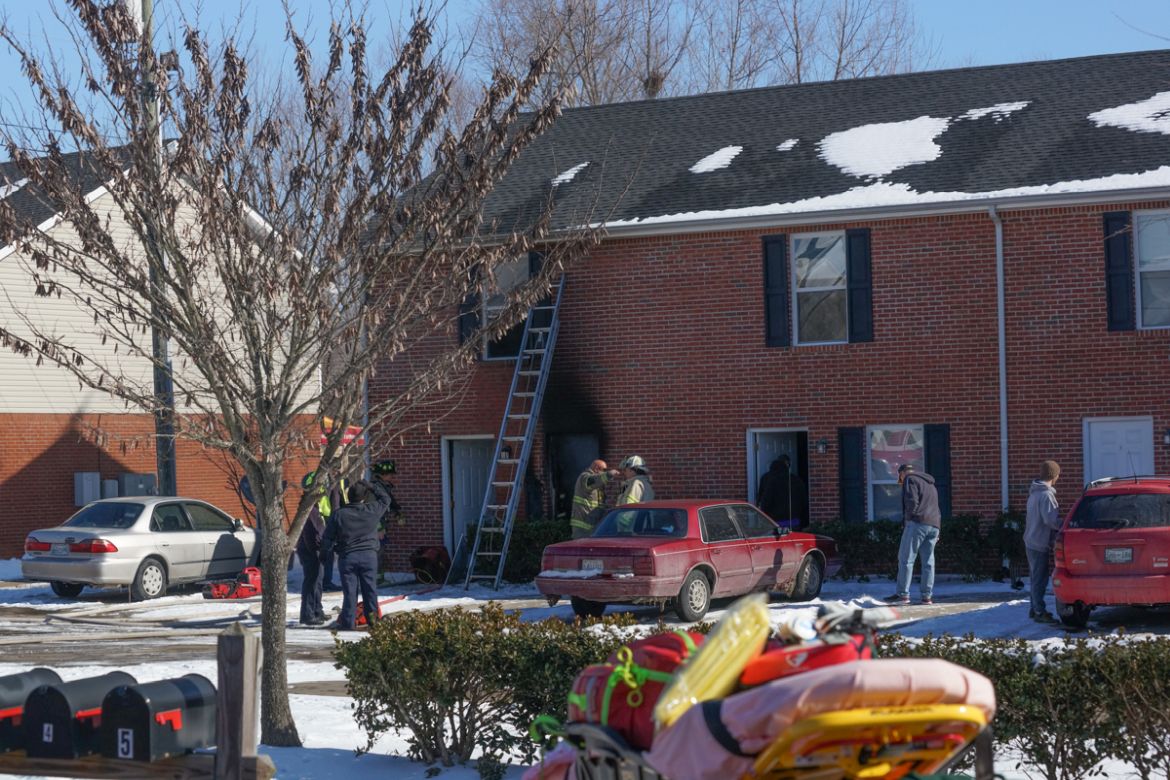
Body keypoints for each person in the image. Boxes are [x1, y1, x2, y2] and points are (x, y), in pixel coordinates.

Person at [321, 479, 394, 631]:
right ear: (364, 497)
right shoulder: (372, 510)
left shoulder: (339, 514)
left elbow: (327, 538)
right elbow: (386, 499)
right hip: (369, 557)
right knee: (370, 591)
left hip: (348, 557)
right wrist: (371, 486)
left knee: (349, 593)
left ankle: (348, 624)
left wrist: (324, 554)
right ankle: (373, 623)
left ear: (348, 496)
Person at [886, 463, 941, 605]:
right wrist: (938, 528)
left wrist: (909, 521)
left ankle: (903, 595)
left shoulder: (910, 479)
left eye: (899, 477)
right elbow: (937, 507)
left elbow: (911, 502)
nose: (900, 480)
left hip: (917, 523)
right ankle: (927, 596)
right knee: (928, 562)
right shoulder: (930, 483)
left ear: (902, 473)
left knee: (906, 559)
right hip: (934, 524)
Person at [1024, 460, 1063, 623]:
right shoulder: (1046, 495)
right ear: (1054, 476)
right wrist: (1065, 524)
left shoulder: (1034, 493)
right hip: (1039, 541)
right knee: (1040, 579)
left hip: (1031, 540)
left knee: (1035, 577)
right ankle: (1039, 611)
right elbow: (1050, 520)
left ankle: (1034, 609)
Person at [295, 471, 328, 626]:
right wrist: (317, 550)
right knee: (312, 581)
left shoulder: (313, 507)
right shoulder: (308, 509)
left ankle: (317, 609)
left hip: (315, 549)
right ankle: (307, 614)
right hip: (310, 551)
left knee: (318, 581)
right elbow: (310, 534)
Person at [371, 459, 403, 584]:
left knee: (381, 552)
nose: (391, 477)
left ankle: (380, 578)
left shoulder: (384, 487)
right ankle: (377, 580)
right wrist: (378, 528)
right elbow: (372, 511)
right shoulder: (374, 489)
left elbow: (390, 502)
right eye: (390, 474)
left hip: (382, 524)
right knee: (377, 552)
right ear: (382, 474)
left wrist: (398, 513)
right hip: (376, 526)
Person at [757, 455, 809, 530]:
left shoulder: (768, 480)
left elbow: (764, 502)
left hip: (774, 522)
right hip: (793, 521)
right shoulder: (797, 480)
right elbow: (804, 502)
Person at [570, 459, 618, 538]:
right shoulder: (584, 478)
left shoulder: (598, 486)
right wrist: (608, 474)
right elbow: (594, 480)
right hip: (582, 527)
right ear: (596, 468)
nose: (604, 472)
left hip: (592, 526)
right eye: (604, 470)